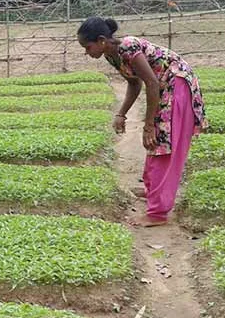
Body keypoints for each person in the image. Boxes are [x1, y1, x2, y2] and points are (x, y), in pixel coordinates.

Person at [77, 17, 207, 227]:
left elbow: (152, 83)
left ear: (101, 40)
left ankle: (158, 213)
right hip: (163, 87)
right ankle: (153, 190)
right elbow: (134, 84)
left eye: (87, 46)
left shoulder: (127, 47)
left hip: (176, 86)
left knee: (163, 145)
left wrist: (148, 126)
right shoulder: (112, 55)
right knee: (156, 143)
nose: (86, 52)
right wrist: (121, 114)